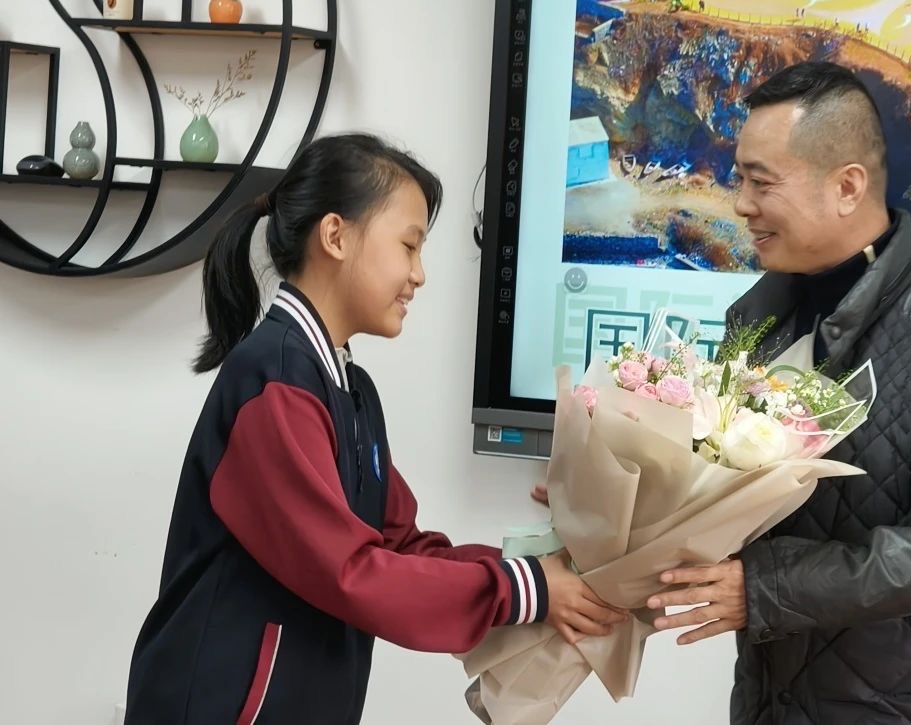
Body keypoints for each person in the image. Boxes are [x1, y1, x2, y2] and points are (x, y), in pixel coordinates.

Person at [124, 134, 625, 724]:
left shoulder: (350, 389)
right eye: (409, 246)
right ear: (335, 236)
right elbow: (349, 571)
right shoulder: (275, 381)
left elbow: (400, 545)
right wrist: (523, 588)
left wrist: (539, 571)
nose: (420, 275)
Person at [644, 62, 911, 724]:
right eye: (740, 179)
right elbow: (724, 489)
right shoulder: (754, 320)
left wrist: (764, 588)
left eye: (761, 182)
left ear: (848, 187)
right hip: (777, 696)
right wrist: (631, 489)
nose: (740, 204)